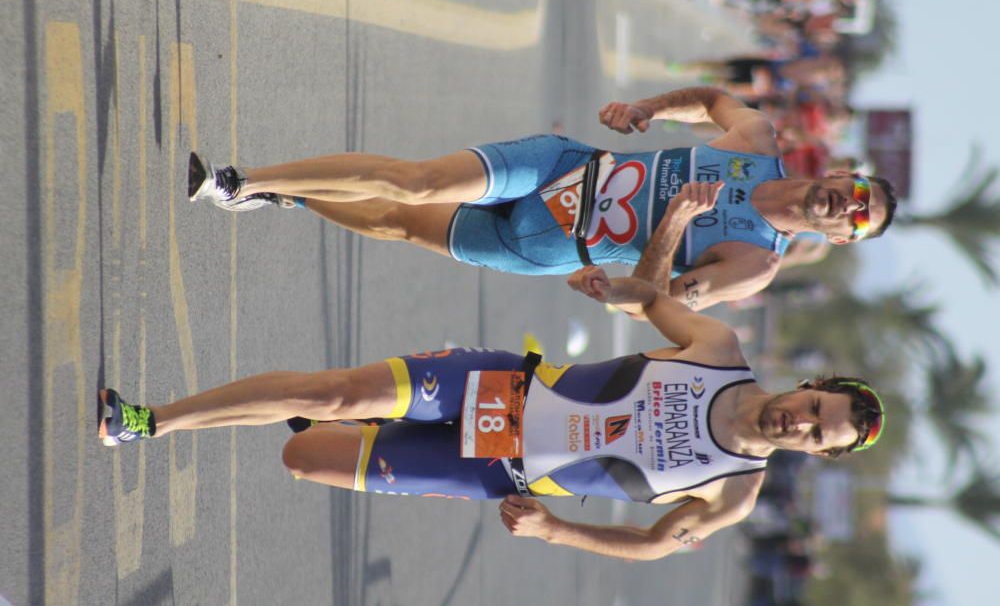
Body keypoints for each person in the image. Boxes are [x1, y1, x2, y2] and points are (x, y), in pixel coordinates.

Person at [99, 266, 885, 561]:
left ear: (818, 454)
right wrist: (622, 291)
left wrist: (558, 529)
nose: (802, 422)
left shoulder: (736, 492)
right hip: (501, 389)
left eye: (820, 434)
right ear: (810, 385)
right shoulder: (718, 349)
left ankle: (319, 422)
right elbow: (654, 301)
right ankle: (149, 420)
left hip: (496, 469)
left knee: (303, 457)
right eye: (816, 406)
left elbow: (655, 544)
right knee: (333, 392)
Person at [188, 86, 896, 312]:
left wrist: (674, 222)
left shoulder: (754, 263)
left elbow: (656, 300)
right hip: (561, 168)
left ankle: (291, 198)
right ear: (843, 173)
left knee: (395, 223)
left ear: (840, 240)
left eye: (858, 221)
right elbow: (714, 99)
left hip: (553, 243)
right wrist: (649, 109)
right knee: (417, 182)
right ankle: (242, 179)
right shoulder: (757, 137)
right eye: (857, 193)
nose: (848, 206)